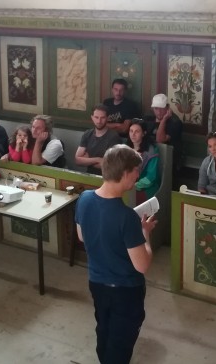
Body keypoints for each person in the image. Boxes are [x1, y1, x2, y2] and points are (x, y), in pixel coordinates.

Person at [75, 144, 157, 363]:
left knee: (104, 330)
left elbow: (82, 236)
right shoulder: (127, 217)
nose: (138, 175)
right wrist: (145, 234)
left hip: (97, 283)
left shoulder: (84, 198)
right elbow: (142, 265)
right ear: (125, 173)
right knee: (120, 343)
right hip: (125, 291)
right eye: (136, 170)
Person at [75, 105, 121, 175]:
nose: (99, 121)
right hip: (89, 175)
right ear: (92, 117)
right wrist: (98, 159)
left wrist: (88, 160)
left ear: (107, 118)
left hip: (107, 177)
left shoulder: (113, 137)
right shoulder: (87, 134)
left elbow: (111, 166)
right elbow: (77, 160)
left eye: (102, 118)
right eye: (96, 117)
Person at [145, 93, 183, 173]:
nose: (159, 112)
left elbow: (160, 140)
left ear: (168, 108)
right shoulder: (148, 118)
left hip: (169, 158)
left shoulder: (175, 122)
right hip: (150, 154)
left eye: (162, 109)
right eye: (156, 108)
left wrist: (164, 120)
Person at [127, 118, 160, 201]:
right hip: (126, 186)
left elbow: (151, 177)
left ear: (143, 133)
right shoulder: (125, 148)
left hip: (145, 190)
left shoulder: (151, 151)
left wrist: (133, 186)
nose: (133, 134)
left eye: (137, 131)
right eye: (131, 131)